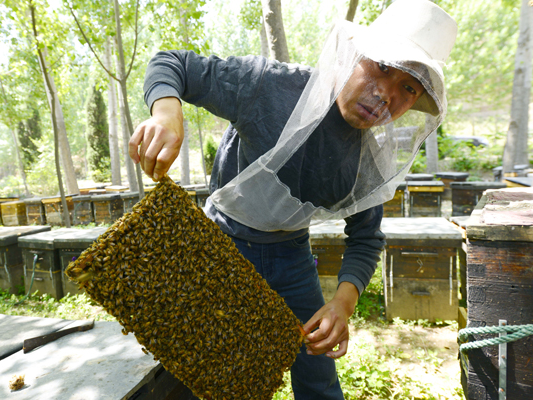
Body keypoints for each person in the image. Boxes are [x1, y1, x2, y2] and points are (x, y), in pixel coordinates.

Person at [130, 0, 457, 398]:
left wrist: (343, 303)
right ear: (354, 55)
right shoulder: (268, 85)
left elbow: (366, 237)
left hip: (292, 258)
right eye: (382, 67)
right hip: (219, 244)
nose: (385, 94)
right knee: (203, 368)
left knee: (318, 375)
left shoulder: (368, 161)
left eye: (408, 88)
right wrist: (166, 112)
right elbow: (173, 64)